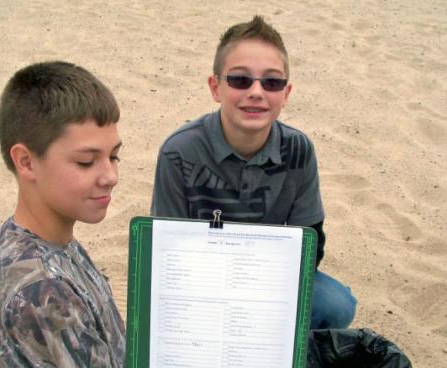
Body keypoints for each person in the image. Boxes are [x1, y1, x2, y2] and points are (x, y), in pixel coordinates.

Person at [0, 61, 325, 368]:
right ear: (26, 162)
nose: (109, 176)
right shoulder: (41, 287)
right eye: (86, 161)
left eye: (114, 156)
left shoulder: (51, 240)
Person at [150, 16, 356, 329]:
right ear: (215, 87)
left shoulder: (299, 150)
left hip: (273, 277)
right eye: (240, 80)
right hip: (200, 281)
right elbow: (167, 249)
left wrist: (260, 297)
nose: (256, 92)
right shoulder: (178, 151)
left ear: (285, 94)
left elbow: (310, 243)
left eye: (272, 82)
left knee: (337, 306)